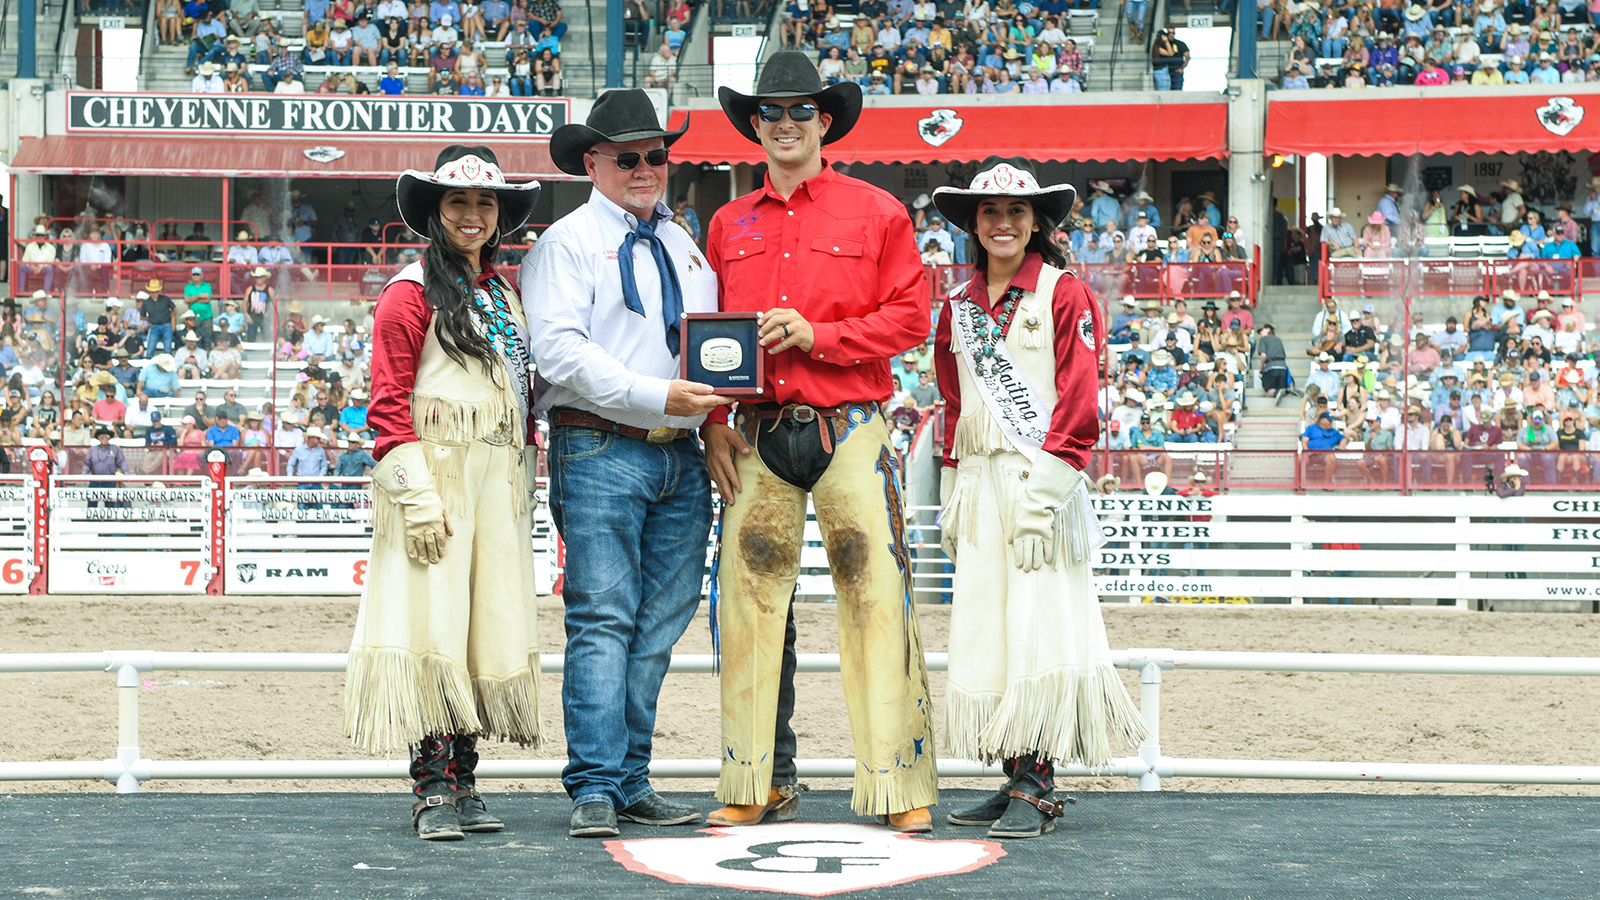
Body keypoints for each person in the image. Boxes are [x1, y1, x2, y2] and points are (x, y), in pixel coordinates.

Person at [700, 53, 938, 832]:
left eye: (800, 110)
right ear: (755, 126)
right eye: (771, 112)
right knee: (745, 603)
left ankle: (899, 788)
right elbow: (705, 342)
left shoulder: (877, 212)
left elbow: (911, 318)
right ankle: (750, 780)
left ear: (824, 121)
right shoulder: (727, 223)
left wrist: (820, 334)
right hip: (758, 431)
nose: (786, 123)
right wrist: (711, 422)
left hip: (850, 428)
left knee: (875, 597)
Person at [522, 91, 720, 839]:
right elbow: (560, 352)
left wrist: (708, 414)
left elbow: (710, 344)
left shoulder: (684, 245)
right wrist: (657, 394)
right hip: (600, 440)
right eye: (628, 157)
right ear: (592, 163)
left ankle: (628, 776)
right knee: (605, 618)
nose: (645, 169)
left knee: (660, 622)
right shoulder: (566, 243)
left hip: (680, 450)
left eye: (656, 155)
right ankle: (599, 782)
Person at [930, 157, 1145, 839]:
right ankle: (1014, 768)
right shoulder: (958, 309)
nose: (1002, 223)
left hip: (1040, 483)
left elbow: (1080, 407)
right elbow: (953, 402)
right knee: (992, 629)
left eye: (1016, 213)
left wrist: (1041, 499)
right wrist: (953, 491)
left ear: (1037, 223)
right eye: (989, 212)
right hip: (982, 483)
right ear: (973, 223)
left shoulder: (1064, 293)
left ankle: (1039, 783)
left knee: (1038, 625)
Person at [343, 144, 544, 841]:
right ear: (435, 212)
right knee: (432, 624)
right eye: (458, 202)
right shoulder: (407, 293)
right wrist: (415, 496)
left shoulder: (502, 294)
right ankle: (431, 786)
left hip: (495, 483)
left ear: (499, 216)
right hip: (437, 482)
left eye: (485, 203)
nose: (472, 215)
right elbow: (387, 403)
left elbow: (521, 396)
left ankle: (466, 775)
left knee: (481, 623)